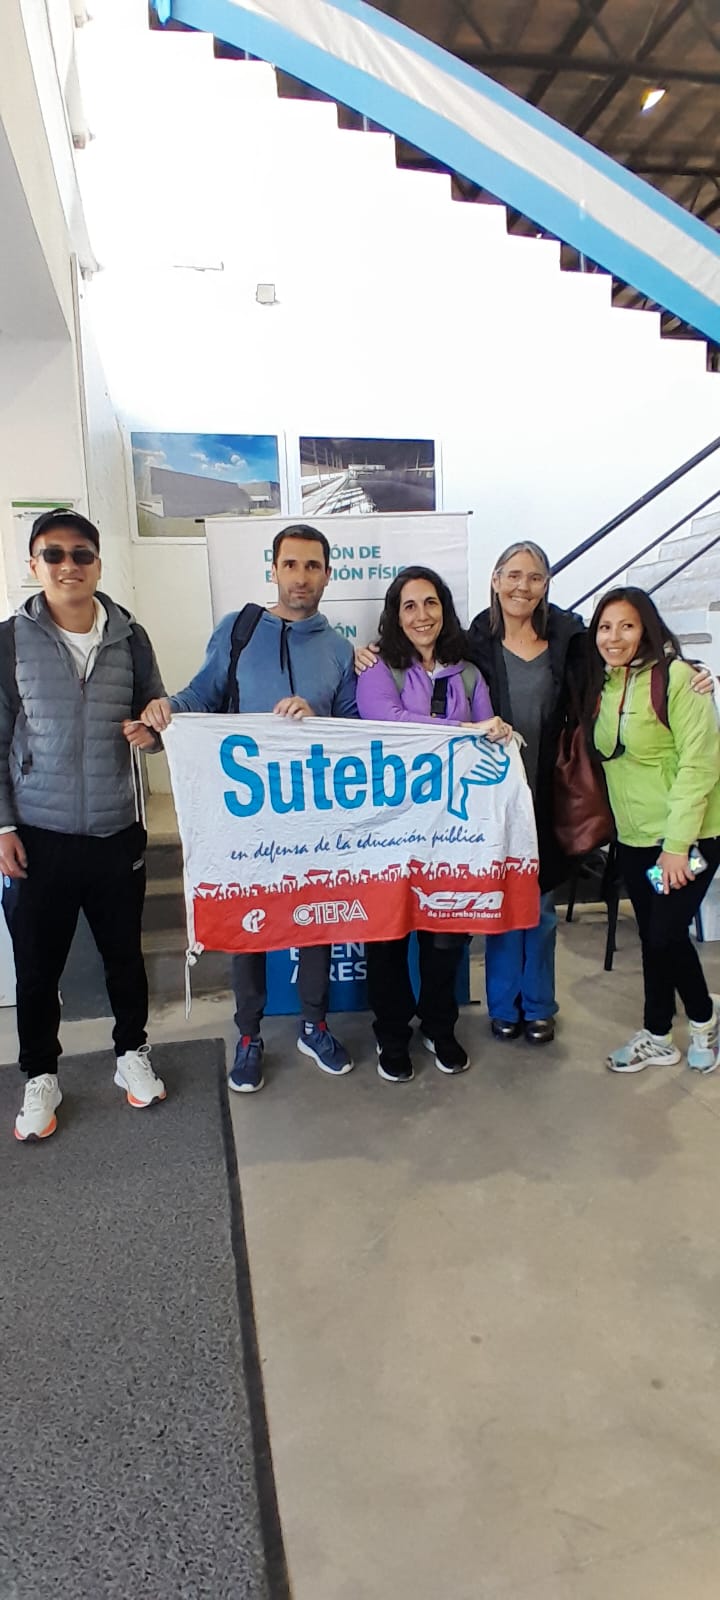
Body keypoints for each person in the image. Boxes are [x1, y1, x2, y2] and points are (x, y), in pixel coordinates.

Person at [141, 523, 358, 1094]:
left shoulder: (338, 650)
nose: (301, 577)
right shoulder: (238, 630)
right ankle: (249, 1035)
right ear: (274, 570)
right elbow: (201, 696)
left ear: (328, 574)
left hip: (314, 813)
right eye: (291, 564)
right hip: (246, 814)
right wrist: (166, 712)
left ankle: (314, 1025)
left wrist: (318, 718)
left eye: (313, 566)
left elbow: (357, 731)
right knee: (249, 925)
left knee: (317, 919)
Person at [1, 509, 167, 1143]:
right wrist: (2, 827)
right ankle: (41, 1073)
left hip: (114, 830)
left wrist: (152, 731)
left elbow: (156, 719)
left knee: (123, 956)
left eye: (81, 554)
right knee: (37, 967)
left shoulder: (131, 637)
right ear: (34, 564)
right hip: (36, 836)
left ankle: (132, 1053)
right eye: (53, 554)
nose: (68, 565)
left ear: (98, 563)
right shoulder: (8, 642)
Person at [356, 566, 512, 1082]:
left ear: (444, 609)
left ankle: (440, 1026)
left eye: (430, 603)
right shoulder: (377, 671)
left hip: (451, 832)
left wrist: (493, 733)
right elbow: (389, 724)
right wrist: (464, 728)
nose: (421, 615)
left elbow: (487, 740)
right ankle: (392, 1033)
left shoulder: (468, 674)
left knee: (445, 937)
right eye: (409, 605)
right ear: (395, 616)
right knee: (387, 939)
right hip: (388, 830)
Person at [588, 587, 720, 1074]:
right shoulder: (603, 685)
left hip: (687, 838)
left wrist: (677, 846)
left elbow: (699, 766)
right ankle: (658, 1033)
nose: (614, 637)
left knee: (665, 934)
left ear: (647, 628)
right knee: (653, 935)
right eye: (605, 627)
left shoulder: (680, 679)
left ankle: (705, 1020)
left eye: (627, 626)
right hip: (634, 837)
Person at [465, 542, 586, 1045]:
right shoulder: (473, 645)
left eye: (535, 577)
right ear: (495, 580)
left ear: (546, 585)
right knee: (500, 905)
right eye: (513, 575)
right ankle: (503, 1005)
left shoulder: (569, 641)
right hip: (493, 798)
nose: (523, 586)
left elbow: (620, 661)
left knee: (540, 909)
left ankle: (538, 1006)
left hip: (549, 794)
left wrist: (684, 669)